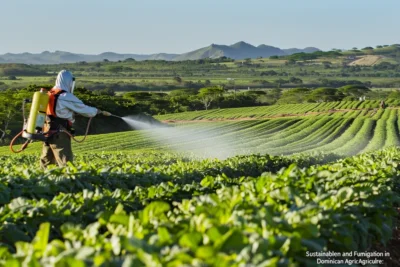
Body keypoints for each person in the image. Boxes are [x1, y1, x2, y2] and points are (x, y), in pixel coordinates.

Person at [40, 70, 104, 169]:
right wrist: (97, 111)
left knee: (47, 160)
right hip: (59, 131)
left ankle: (44, 180)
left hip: (46, 130)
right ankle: (67, 181)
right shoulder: (65, 96)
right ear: (68, 81)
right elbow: (86, 110)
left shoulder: (49, 94)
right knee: (66, 161)